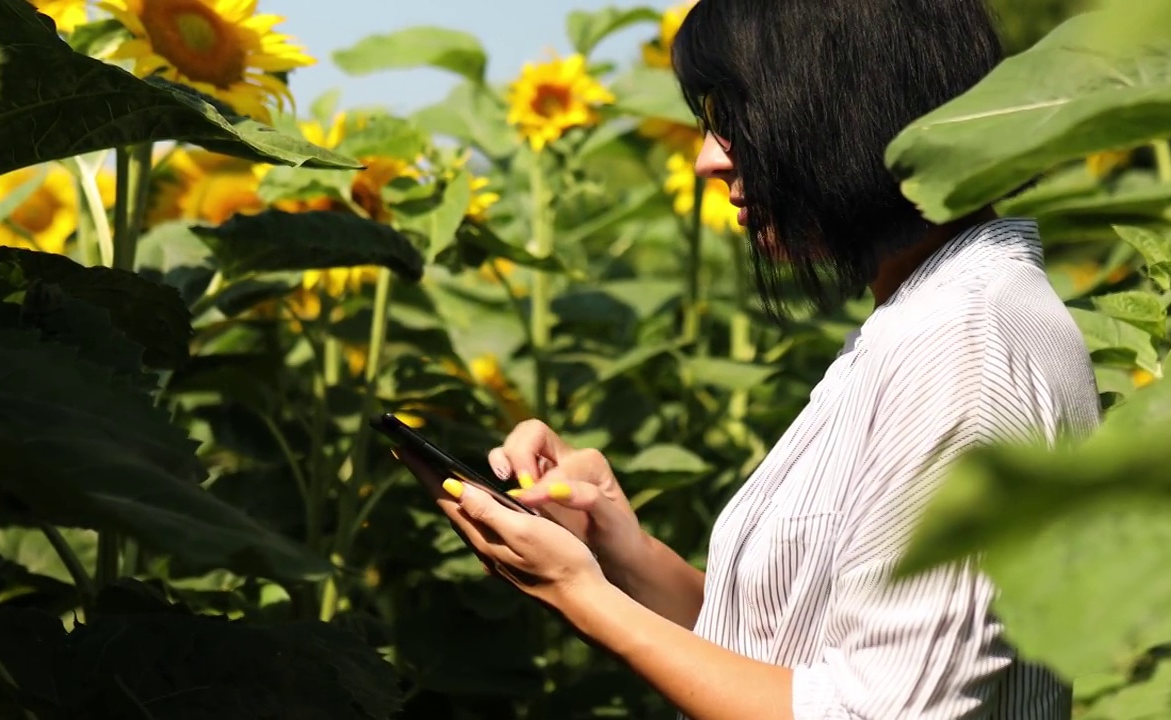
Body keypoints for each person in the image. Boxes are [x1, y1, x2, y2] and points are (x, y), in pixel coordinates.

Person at [395, 0, 1100, 717]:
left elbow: (867, 712)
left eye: (739, 116)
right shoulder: (922, 319)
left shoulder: (964, 346)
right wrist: (618, 551)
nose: (706, 157)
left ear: (851, 106)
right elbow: (791, 657)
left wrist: (576, 595)